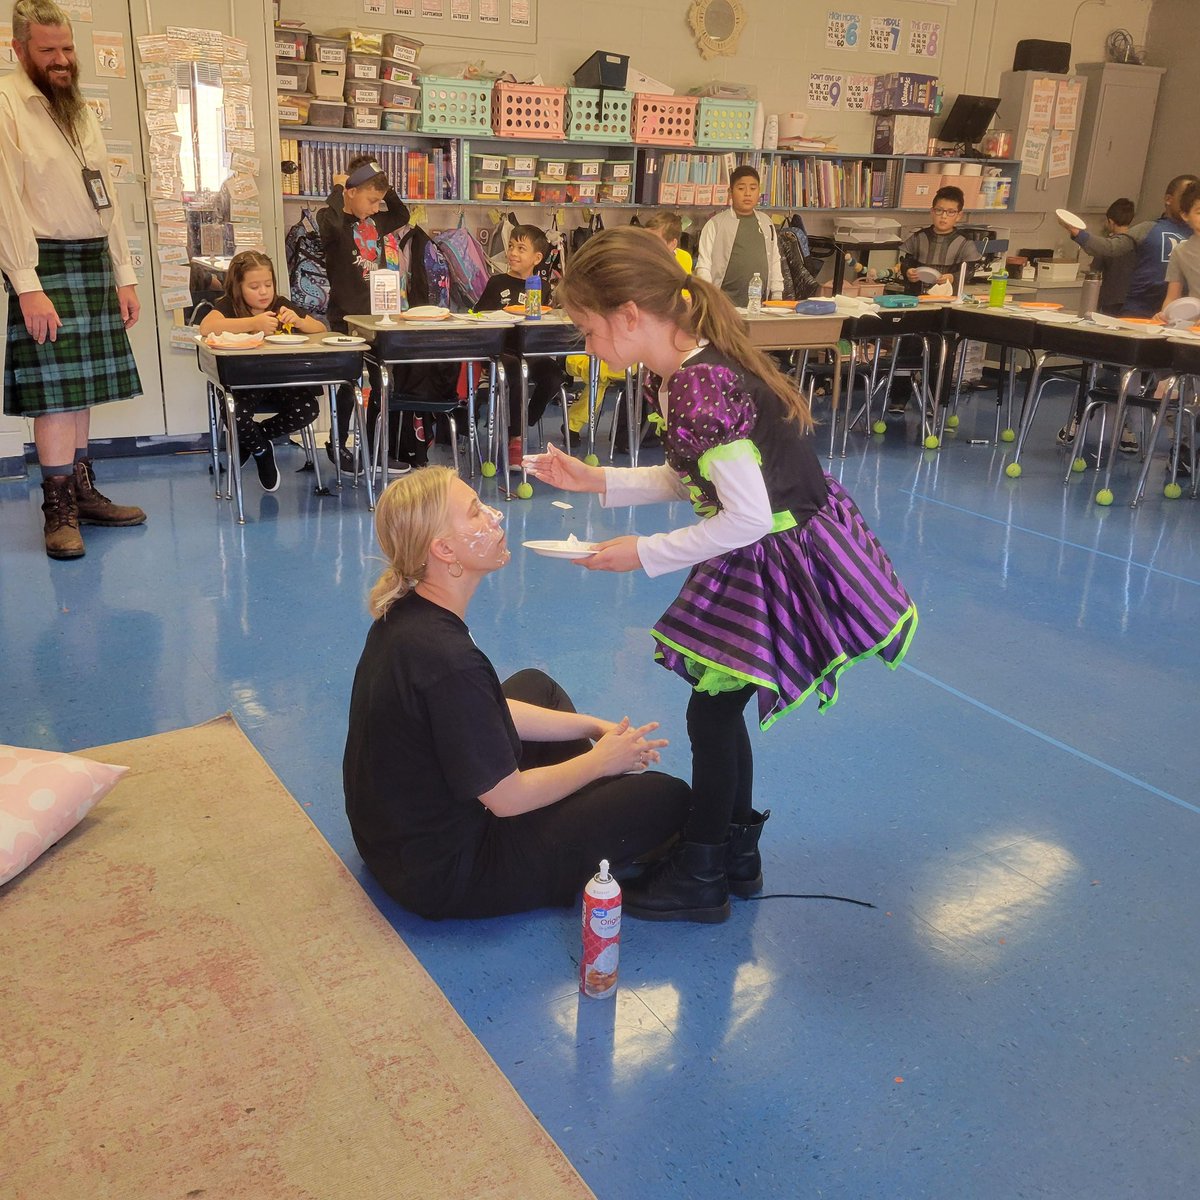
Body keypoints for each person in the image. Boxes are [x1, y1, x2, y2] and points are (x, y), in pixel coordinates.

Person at [525, 227, 918, 924]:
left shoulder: (700, 386)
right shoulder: (682, 371)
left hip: (778, 553)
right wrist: (598, 481)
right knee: (719, 707)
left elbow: (743, 518)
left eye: (588, 330)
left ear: (629, 317)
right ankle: (733, 855)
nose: (587, 346)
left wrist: (642, 555)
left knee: (711, 711)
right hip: (777, 539)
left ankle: (703, 871)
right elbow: (693, 479)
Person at [343, 466, 691, 920]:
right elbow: (507, 800)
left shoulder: (407, 615)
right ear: (445, 549)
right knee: (670, 797)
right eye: (475, 514)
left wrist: (592, 725)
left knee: (537, 687)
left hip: (394, 847)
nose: (495, 517)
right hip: (450, 874)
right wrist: (599, 761)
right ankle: (592, 806)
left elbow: (478, 709)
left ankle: (588, 804)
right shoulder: (448, 659)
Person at [0, 0, 146, 560]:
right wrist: (26, 283)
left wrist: (124, 273)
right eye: (48, 51)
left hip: (91, 259)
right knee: (56, 396)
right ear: (19, 50)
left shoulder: (77, 107)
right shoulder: (8, 103)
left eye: (67, 49)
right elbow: (5, 201)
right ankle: (57, 509)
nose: (62, 61)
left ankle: (82, 494)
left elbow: (102, 194)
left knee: (81, 391)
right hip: (44, 262)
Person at [317, 154, 430, 473]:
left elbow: (401, 212)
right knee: (347, 382)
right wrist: (340, 188)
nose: (376, 207)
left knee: (382, 383)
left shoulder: (376, 222)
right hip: (345, 317)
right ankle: (338, 445)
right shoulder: (333, 219)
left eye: (379, 201)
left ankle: (373, 448)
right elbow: (334, 220)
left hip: (377, 318)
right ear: (350, 193)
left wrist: (382, 184)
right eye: (371, 200)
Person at [196, 250, 326, 492]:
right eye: (254, 286)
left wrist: (298, 321)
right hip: (245, 383)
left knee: (308, 408)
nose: (264, 292)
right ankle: (261, 450)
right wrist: (252, 324)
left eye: (268, 284)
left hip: (281, 381)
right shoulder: (229, 306)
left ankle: (256, 438)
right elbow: (207, 326)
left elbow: (318, 328)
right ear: (239, 287)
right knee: (234, 413)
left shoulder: (280, 304)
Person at [474, 223, 567, 466]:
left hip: (530, 350)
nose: (513, 252)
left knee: (555, 375)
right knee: (516, 371)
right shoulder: (497, 282)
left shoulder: (542, 286)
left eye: (521, 248)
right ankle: (516, 438)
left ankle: (527, 420)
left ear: (537, 258)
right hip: (501, 351)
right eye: (512, 246)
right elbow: (478, 316)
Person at [1065, 173, 1199, 318]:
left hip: (1181, 314)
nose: (1189, 200)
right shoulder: (1148, 228)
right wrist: (1079, 234)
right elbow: (1111, 247)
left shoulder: (1193, 234)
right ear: (1168, 199)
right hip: (1139, 309)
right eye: (1186, 195)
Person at [694, 165, 784, 307]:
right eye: (741, 189)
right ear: (730, 192)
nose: (747, 194)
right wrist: (709, 298)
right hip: (721, 305)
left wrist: (777, 294)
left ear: (759, 192)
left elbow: (774, 259)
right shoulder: (715, 224)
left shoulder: (766, 222)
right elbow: (704, 266)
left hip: (758, 305)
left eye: (753, 189)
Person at [898, 185, 980, 293]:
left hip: (948, 299)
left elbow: (969, 270)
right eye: (939, 210)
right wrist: (908, 271)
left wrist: (952, 277)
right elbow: (906, 262)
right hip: (916, 298)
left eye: (951, 212)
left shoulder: (965, 242)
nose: (944, 216)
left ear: (959, 215)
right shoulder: (918, 237)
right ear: (932, 211)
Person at [1062, 197, 1137, 316]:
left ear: (1111, 222)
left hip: (1109, 299)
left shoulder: (1107, 246)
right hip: (1131, 299)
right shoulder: (1135, 243)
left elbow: (1095, 271)